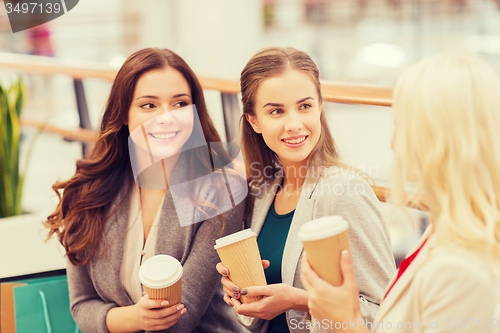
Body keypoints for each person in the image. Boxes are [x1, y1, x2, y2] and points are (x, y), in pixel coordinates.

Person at [45, 48, 248, 333]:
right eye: (149, 106)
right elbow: (82, 305)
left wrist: (126, 319)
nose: (166, 118)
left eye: (180, 104)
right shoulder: (89, 191)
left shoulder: (220, 190)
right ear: (124, 114)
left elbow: (180, 317)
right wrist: (134, 318)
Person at [301, 52, 500, 333]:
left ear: (437, 140)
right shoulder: (448, 231)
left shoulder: (463, 271)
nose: (394, 143)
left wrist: (346, 323)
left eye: (401, 125)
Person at [216, 47, 396, 333]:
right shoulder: (263, 190)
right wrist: (240, 292)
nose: (294, 124)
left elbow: (388, 314)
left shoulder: (344, 191)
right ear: (253, 121)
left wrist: (300, 301)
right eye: (276, 111)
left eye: (305, 106)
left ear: (320, 107)